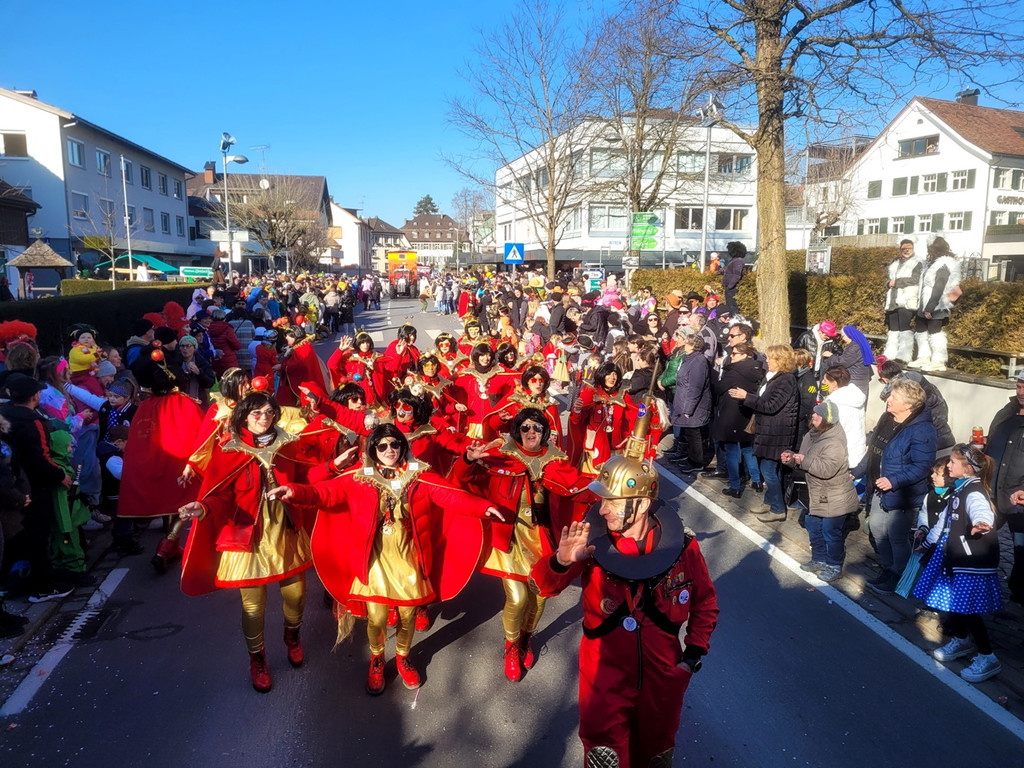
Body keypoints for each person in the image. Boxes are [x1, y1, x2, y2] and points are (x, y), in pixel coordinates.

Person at [531, 425, 719, 767]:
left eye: (613, 503)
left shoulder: (684, 548)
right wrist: (561, 561)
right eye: (603, 501)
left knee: (656, 756)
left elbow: (705, 602)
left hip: (663, 678)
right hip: (604, 677)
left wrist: (692, 655)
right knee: (606, 758)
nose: (602, 511)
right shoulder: (592, 543)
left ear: (643, 503)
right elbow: (544, 586)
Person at [268, 424, 503, 696]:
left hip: (408, 560)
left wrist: (482, 507)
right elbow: (323, 494)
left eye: (394, 445)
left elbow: (451, 496)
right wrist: (294, 492)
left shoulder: (420, 476)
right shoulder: (358, 478)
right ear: (373, 450)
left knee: (407, 615)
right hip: (373, 560)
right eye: (382, 446)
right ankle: (377, 659)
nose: (389, 450)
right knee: (377, 618)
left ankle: (403, 656)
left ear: (403, 448)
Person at [178, 392, 313, 694]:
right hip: (247, 537)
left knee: (297, 597)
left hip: (286, 531)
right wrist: (203, 507)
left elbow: (308, 477)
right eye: (256, 413)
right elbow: (221, 493)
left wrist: (333, 468)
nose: (263, 418)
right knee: (254, 607)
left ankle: (293, 637)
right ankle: (258, 659)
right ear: (243, 416)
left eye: (268, 412)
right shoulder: (230, 449)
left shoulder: (288, 442)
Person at [458, 408, 593, 681]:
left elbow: (581, 488)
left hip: (542, 539)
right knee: (517, 598)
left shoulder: (556, 461)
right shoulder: (501, 456)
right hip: (509, 540)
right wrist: (468, 460)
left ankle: (525, 638)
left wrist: (615, 491)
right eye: (526, 428)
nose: (532, 433)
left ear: (545, 432)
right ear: (517, 430)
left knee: (540, 595)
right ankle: (510, 647)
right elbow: (464, 480)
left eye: (538, 428)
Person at [915, 443, 1002, 683]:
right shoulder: (959, 489)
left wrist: (982, 523)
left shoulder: (973, 492)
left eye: (953, 462)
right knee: (954, 604)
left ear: (967, 469)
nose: (948, 466)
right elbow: (944, 522)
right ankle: (962, 640)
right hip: (953, 557)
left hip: (969, 560)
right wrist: (929, 542)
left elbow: (981, 511)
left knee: (969, 609)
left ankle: (988, 657)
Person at [855, 378, 937, 595]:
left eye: (894, 397)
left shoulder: (922, 430)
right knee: (877, 529)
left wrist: (894, 480)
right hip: (879, 488)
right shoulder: (886, 418)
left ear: (908, 405)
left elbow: (922, 466)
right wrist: (857, 471)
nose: (888, 399)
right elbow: (874, 451)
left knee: (896, 536)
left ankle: (899, 573)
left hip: (903, 494)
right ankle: (889, 567)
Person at [0, 374, 74, 602]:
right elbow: (41, 457)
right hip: (33, 486)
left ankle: (9, 583)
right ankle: (43, 587)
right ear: (35, 396)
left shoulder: (6, 414)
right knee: (39, 537)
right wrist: (60, 474)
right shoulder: (34, 422)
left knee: (14, 537)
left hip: (9, 485)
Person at [782, 401, 859, 582]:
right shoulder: (812, 435)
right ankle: (819, 559)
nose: (813, 416)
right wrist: (792, 459)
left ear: (827, 419)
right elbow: (805, 462)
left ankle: (834, 565)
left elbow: (826, 469)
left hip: (835, 496)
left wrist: (803, 460)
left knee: (831, 532)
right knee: (813, 526)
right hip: (817, 495)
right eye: (814, 413)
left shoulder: (834, 442)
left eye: (818, 414)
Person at [728, 345, 799, 523]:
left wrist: (747, 397)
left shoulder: (786, 380)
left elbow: (771, 406)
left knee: (768, 471)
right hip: (768, 432)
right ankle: (769, 502)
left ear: (780, 360)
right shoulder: (774, 378)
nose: (766, 360)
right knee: (769, 470)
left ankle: (777, 509)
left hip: (777, 434)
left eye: (770, 358)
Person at [985, 369, 1024, 605]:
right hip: (992, 491)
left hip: (1018, 500)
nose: (1021, 392)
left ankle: (1018, 596)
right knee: (980, 539)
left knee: (1021, 550)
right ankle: (983, 585)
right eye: (1019, 386)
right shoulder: (1006, 412)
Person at [714, 341, 763, 498]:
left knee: (731, 450)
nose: (731, 356)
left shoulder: (735, 372)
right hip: (747, 412)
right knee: (747, 448)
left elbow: (720, 388)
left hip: (731, 414)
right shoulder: (756, 369)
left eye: (734, 354)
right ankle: (756, 480)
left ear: (744, 355)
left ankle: (735, 486)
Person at [912, 235, 961, 372]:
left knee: (935, 334)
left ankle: (938, 360)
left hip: (937, 306)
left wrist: (930, 307)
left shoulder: (944, 264)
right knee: (921, 332)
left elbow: (939, 287)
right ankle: (923, 357)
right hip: (924, 304)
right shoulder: (931, 264)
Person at [670, 334, 712, 475]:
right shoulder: (686, 359)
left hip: (695, 404)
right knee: (688, 431)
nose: (684, 345)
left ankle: (696, 462)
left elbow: (696, 386)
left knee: (694, 432)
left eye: (687, 343)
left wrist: (689, 408)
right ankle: (690, 457)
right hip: (684, 400)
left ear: (693, 345)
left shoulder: (699, 361)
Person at [883, 239, 924, 362]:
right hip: (893, 299)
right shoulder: (895, 263)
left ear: (913, 249)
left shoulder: (918, 263)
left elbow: (917, 279)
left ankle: (904, 356)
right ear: (900, 249)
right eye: (904, 248)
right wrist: (888, 283)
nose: (906, 250)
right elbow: (890, 280)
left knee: (904, 328)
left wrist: (897, 282)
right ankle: (890, 354)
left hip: (907, 300)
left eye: (909, 248)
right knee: (893, 329)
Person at [821, 365, 867, 470]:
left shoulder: (836, 404)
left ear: (834, 384)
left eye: (825, 380)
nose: (823, 383)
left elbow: (831, 433)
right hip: (856, 452)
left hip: (841, 457)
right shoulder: (853, 398)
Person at [721, 241, 746, 316]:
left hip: (732, 289)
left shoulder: (738, 261)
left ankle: (735, 321)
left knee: (732, 307)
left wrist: (730, 286)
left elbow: (737, 275)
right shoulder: (734, 260)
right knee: (729, 306)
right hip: (729, 288)